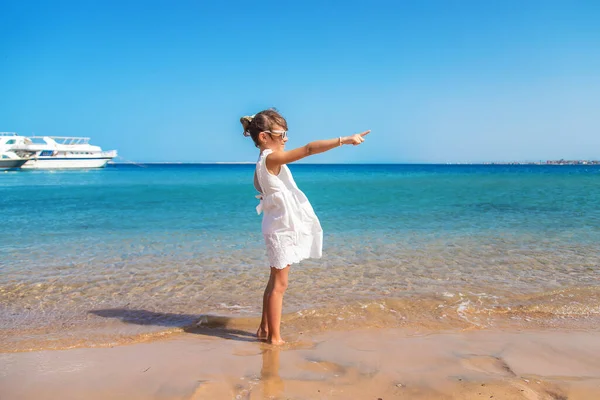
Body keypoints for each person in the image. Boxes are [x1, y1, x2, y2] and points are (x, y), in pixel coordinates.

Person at [241, 109, 370, 345]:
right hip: (280, 229)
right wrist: (344, 140)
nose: (286, 139)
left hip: (275, 226)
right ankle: (275, 338)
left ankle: (264, 329)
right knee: (280, 285)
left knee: (274, 281)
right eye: (282, 134)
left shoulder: (262, 162)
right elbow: (309, 149)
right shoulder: (270, 159)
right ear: (264, 137)